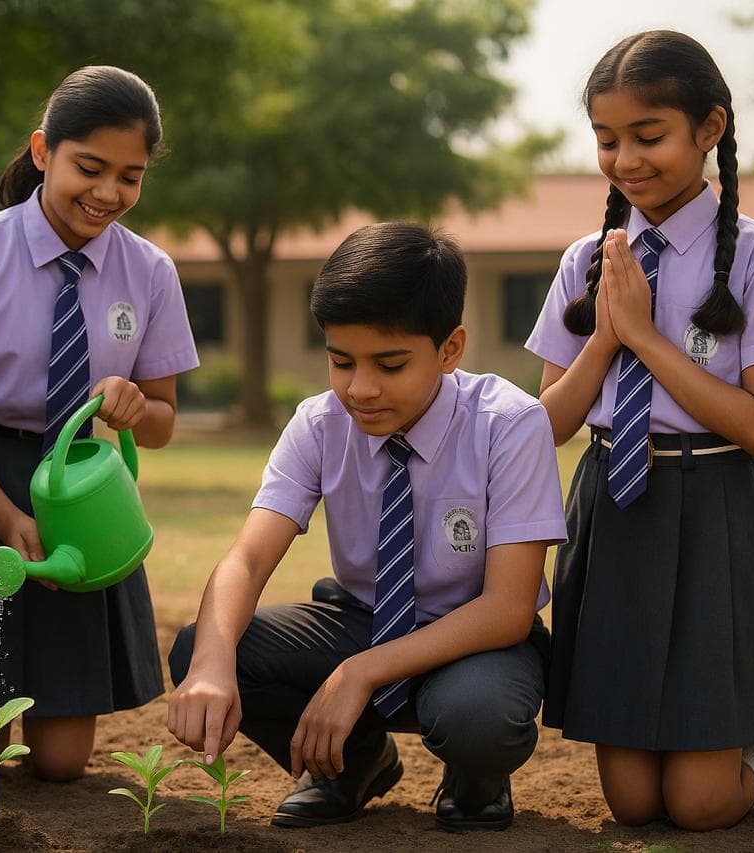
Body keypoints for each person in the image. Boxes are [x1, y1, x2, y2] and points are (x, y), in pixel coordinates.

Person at [525, 30, 754, 831]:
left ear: (709, 128)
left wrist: (646, 339)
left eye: (649, 136)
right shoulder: (585, 261)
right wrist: (606, 337)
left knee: (700, 803)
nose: (625, 160)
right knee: (635, 804)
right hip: (615, 508)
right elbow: (549, 426)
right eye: (607, 140)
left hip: (720, 507)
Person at [167, 222, 566, 832]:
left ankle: (476, 775)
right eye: (340, 361)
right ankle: (352, 762)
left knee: (478, 719)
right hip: (362, 619)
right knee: (208, 643)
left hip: (475, 639)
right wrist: (211, 665)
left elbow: (508, 608)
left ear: (451, 349)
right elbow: (246, 559)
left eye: (390, 363)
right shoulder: (319, 424)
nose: (361, 388)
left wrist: (360, 672)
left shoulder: (509, 425)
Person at [0, 65, 199, 780]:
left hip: (82, 486)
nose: (108, 193)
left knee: (62, 764)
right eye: (90, 168)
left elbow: (162, 421)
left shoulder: (151, 272)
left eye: (130, 177)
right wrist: (4, 513)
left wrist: (134, 408)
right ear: (43, 151)